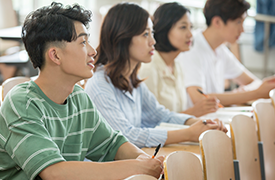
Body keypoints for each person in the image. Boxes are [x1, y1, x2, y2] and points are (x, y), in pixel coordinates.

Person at [0, 2, 164, 180]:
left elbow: (112, 144)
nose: (93, 51)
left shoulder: (78, 97)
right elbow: (54, 172)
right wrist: (136, 167)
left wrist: (145, 161)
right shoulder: (22, 102)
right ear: (55, 55)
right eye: (83, 42)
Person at [85, 2, 227, 149]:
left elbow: (160, 115)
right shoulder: (100, 85)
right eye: (145, 34)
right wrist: (189, 133)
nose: (153, 41)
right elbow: (127, 136)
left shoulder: (132, 80)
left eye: (151, 33)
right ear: (123, 38)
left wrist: (201, 124)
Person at [178, 0, 275, 107]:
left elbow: (253, 82)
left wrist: (255, 89)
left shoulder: (220, 50)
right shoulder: (192, 47)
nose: (242, 30)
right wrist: (255, 93)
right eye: (238, 22)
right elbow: (199, 98)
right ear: (217, 22)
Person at [139, 2, 219, 117]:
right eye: (183, 27)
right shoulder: (149, 68)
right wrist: (192, 112)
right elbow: (148, 123)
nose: (190, 34)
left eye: (190, 27)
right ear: (165, 29)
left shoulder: (177, 65)